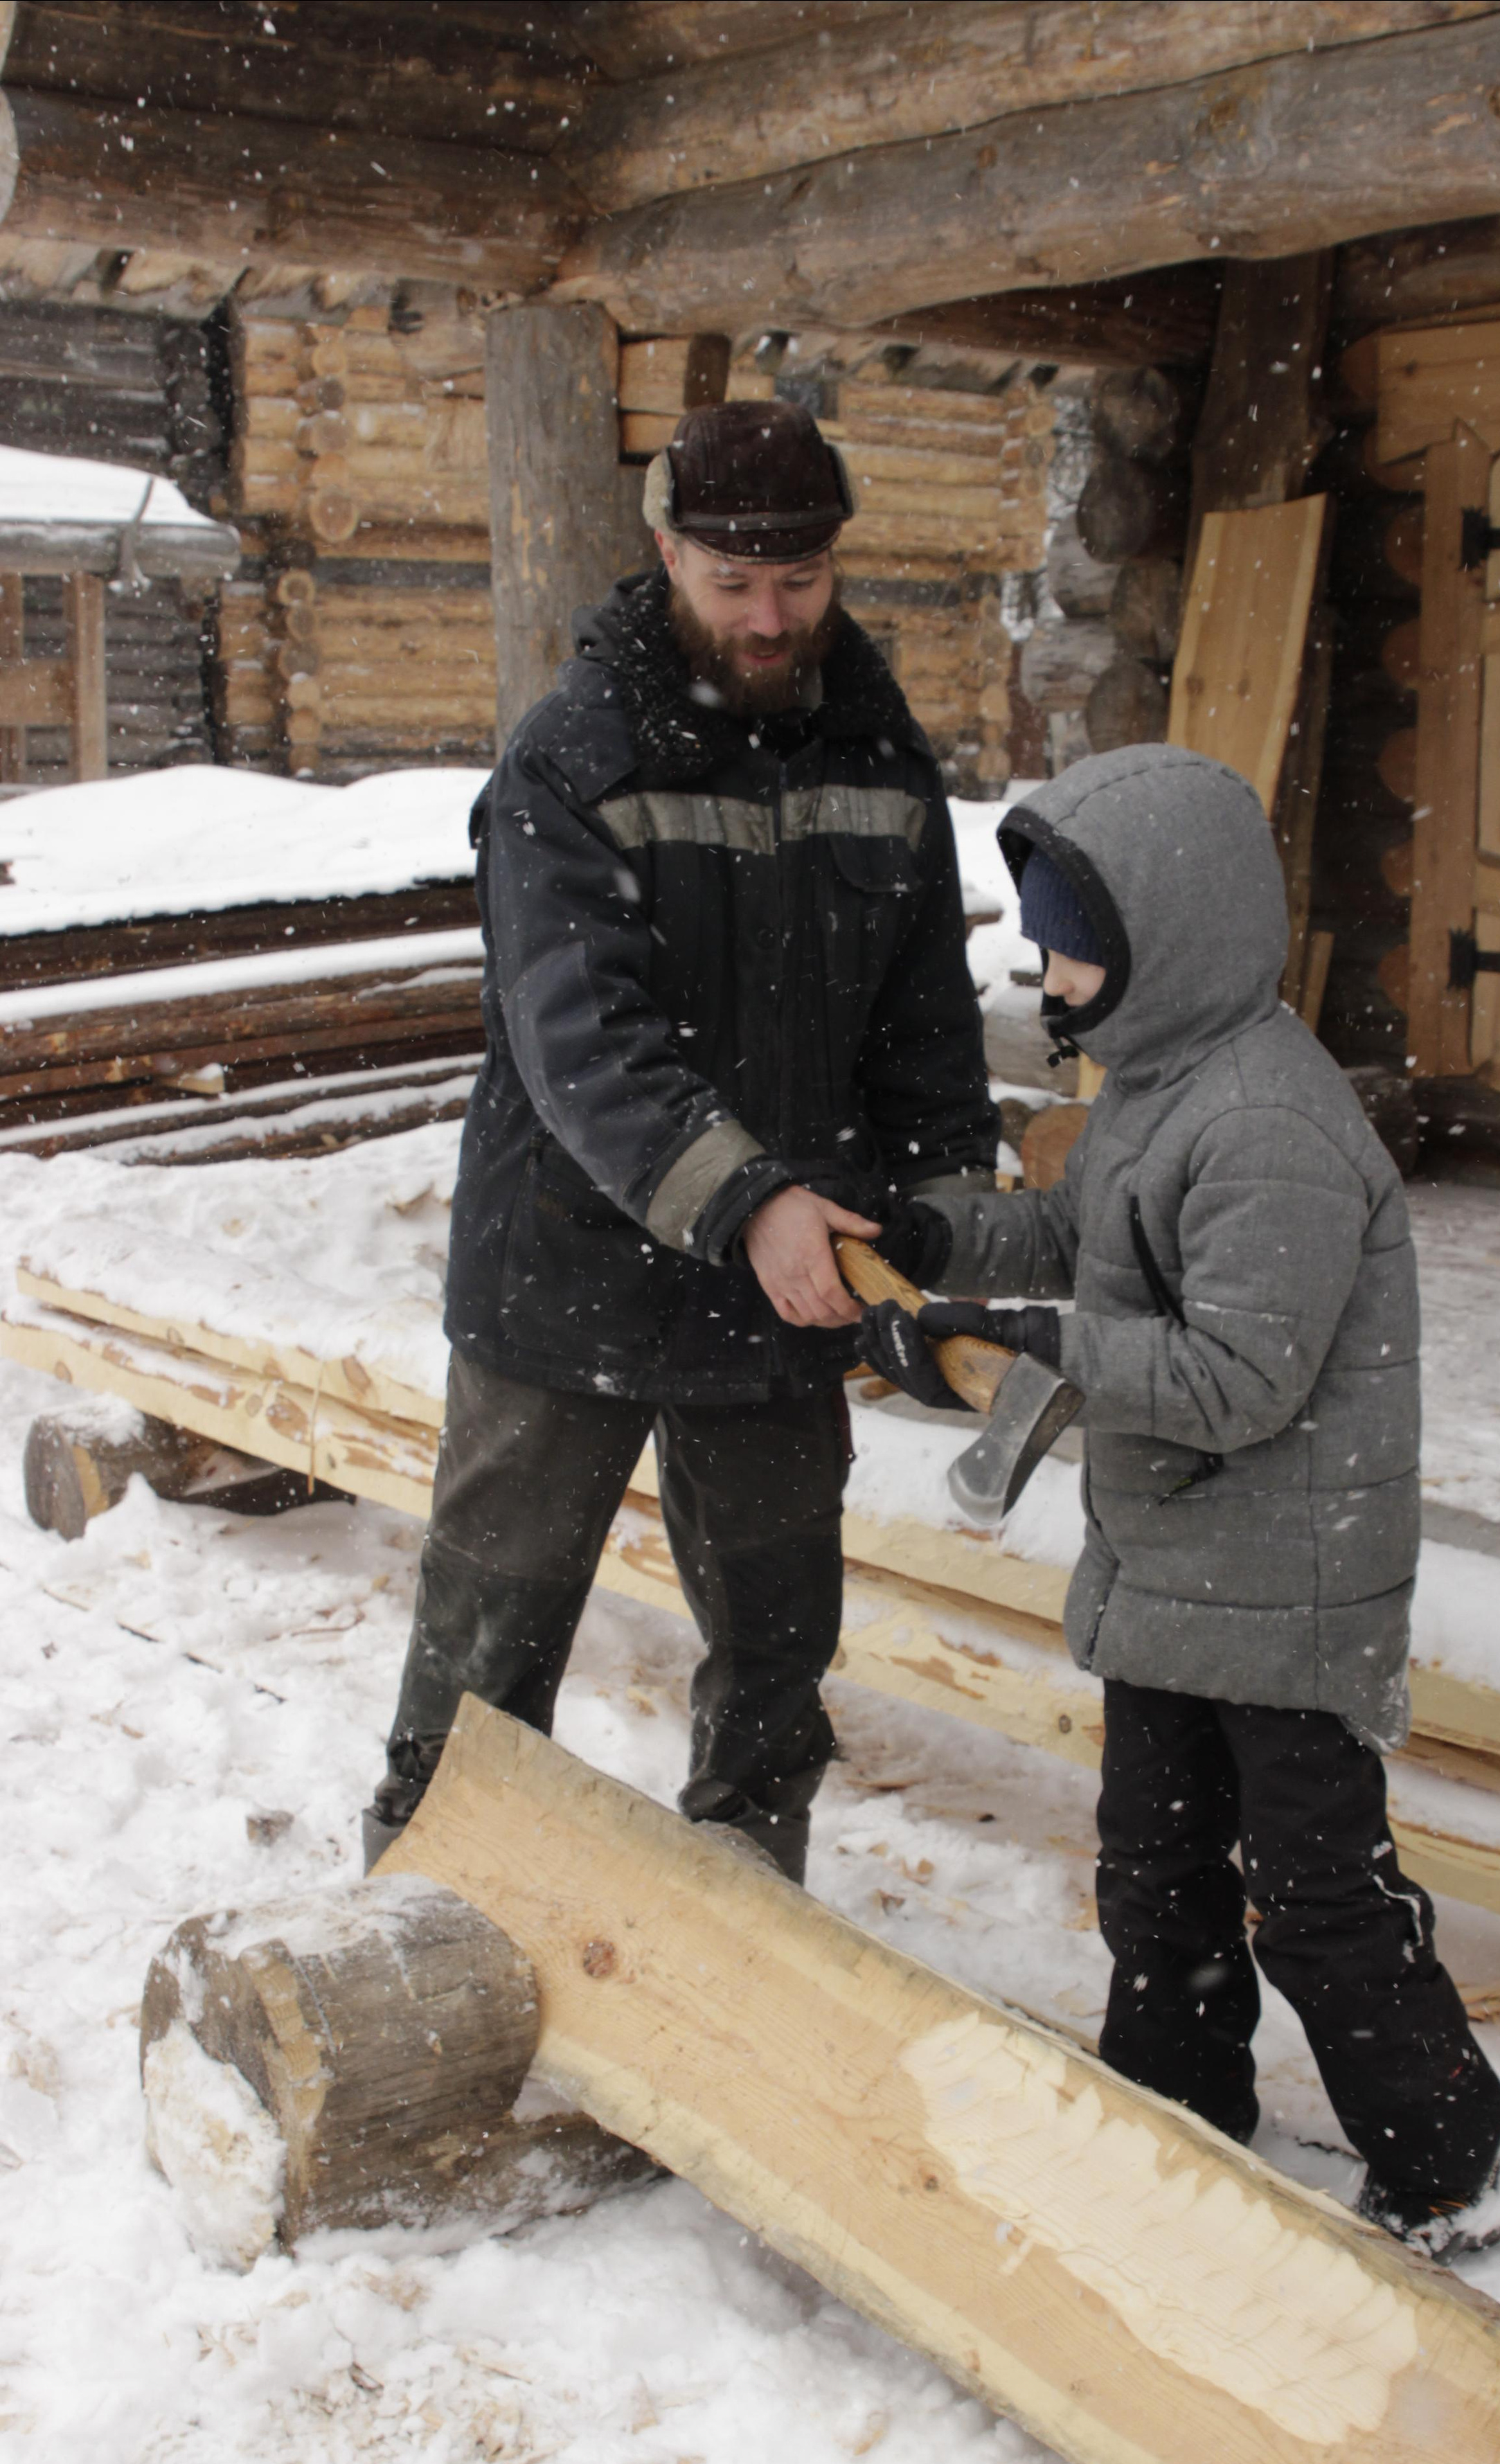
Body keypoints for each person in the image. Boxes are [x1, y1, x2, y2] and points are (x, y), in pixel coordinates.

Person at [859, 744, 1500, 2260]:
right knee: (1154, 1867)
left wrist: (1032, 1347)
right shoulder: (1157, 1086)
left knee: (1317, 1899)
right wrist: (933, 1240)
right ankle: (1176, 2103)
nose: (1047, 975)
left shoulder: (1267, 1125)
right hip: (1175, 1571)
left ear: (1173, 935)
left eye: (1069, 947)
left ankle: (1447, 2167)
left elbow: (1237, 1378)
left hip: (1286, 1589)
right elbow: (1070, 1240)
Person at [364, 400, 994, 1878]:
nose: (770, 618)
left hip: (787, 1281)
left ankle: (749, 1883)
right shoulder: (571, 758)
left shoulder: (880, 754)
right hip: (568, 1263)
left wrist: (949, 1226)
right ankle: (424, 1891)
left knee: (776, 1635)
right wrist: (747, 1196)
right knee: (493, 1629)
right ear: (666, 557)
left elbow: (923, 1028)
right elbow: (582, 1040)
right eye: (735, 583)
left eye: (800, 582)